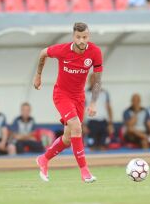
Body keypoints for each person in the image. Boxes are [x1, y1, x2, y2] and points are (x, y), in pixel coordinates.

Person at [34, 22, 103, 183]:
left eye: (84, 37)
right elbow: (43, 53)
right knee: (77, 126)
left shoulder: (95, 52)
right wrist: (38, 75)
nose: (81, 41)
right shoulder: (62, 50)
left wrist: (93, 103)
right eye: (78, 37)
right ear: (73, 37)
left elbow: (98, 80)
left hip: (79, 97)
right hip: (62, 95)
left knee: (67, 139)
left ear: (88, 36)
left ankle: (43, 159)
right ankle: (84, 171)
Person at [84, 73, 114, 150]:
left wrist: (110, 124)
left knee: (103, 147)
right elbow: (81, 110)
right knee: (92, 147)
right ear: (89, 81)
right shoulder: (84, 94)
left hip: (103, 122)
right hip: (91, 123)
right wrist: (83, 125)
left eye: (96, 79)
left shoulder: (105, 93)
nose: (94, 81)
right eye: (92, 79)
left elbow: (109, 108)